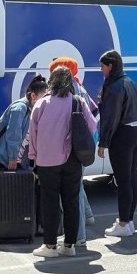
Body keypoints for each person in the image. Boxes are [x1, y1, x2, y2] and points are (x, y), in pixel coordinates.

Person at [30, 66, 97, 257]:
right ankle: (69, 245)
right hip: (73, 160)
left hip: (47, 160)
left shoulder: (42, 104)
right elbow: (93, 126)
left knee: (50, 202)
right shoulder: (78, 101)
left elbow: (32, 134)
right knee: (71, 202)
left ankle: (50, 246)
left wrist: (34, 158)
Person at [49, 57, 96, 242]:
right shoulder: (81, 88)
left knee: (71, 193)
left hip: (70, 146)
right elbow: (94, 117)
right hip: (81, 146)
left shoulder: (69, 90)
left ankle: (77, 236)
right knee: (77, 187)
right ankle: (86, 219)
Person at [98, 50, 137, 237]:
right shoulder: (130, 82)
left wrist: (103, 142)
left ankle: (124, 224)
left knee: (123, 180)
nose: (101, 70)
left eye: (103, 66)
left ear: (111, 66)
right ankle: (129, 221)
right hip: (135, 132)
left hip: (122, 135)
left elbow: (111, 117)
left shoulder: (115, 86)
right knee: (130, 178)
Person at [0, 75, 48, 171]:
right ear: (33, 96)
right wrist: (13, 158)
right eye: (43, 99)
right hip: (9, 159)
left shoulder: (33, 109)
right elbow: (13, 135)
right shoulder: (19, 108)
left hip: (20, 159)